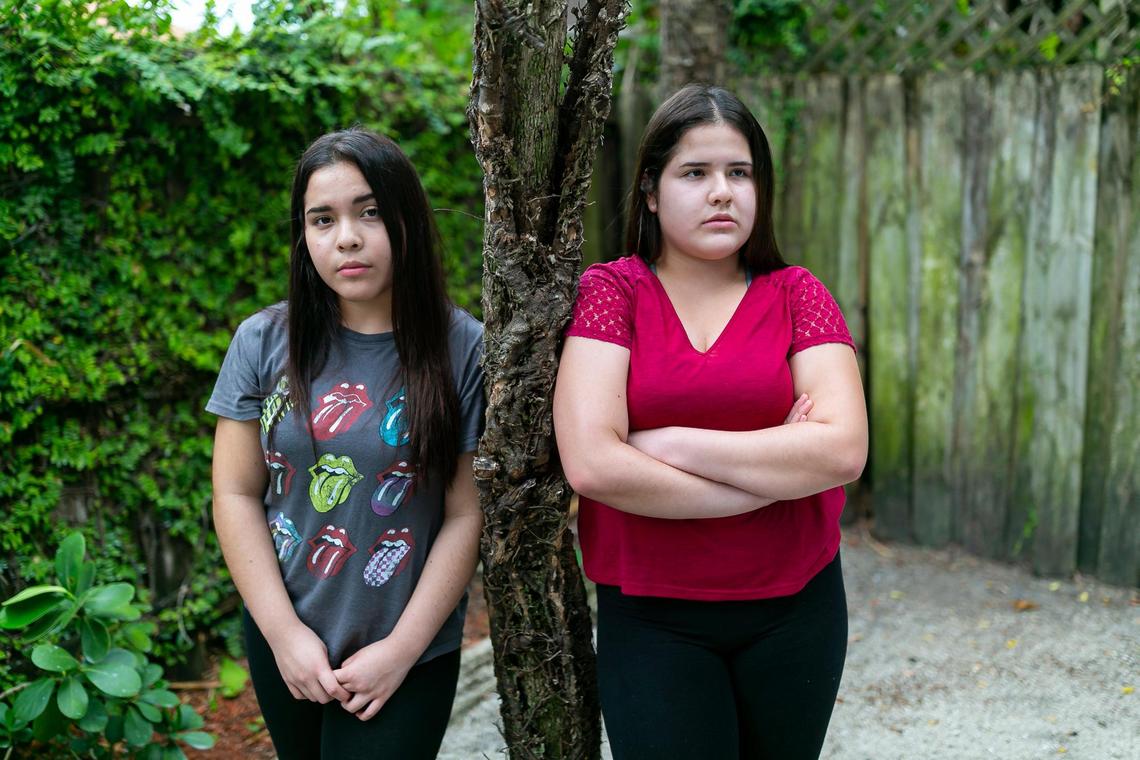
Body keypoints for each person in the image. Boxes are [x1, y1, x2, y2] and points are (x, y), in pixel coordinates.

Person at [553, 84, 868, 760]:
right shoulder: (611, 293)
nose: (722, 191)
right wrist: (777, 470)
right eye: (695, 173)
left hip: (797, 610)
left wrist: (666, 444)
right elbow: (592, 464)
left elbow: (841, 451)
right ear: (650, 192)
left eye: (740, 172)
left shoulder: (797, 294)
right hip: (653, 617)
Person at [207, 127, 484, 760]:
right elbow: (235, 491)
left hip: (406, 649)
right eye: (322, 219)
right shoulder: (262, 341)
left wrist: (402, 650)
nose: (347, 237)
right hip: (286, 631)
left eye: (369, 213)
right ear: (303, 236)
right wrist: (283, 635)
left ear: (407, 220)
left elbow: (468, 512)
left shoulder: (463, 349)